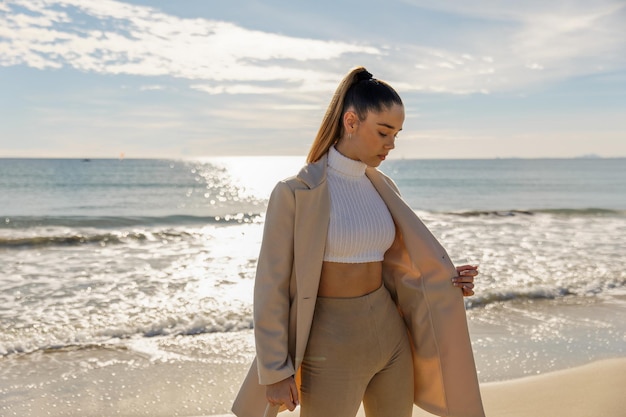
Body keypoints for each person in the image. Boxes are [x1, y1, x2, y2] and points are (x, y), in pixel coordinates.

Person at [232, 67, 485, 417]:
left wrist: (445, 279)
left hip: (391, 339)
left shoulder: (383, 188)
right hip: (329, 345)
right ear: (351, 121)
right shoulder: (295, 193)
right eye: (383, 132)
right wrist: (275, 371)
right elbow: (270, 286)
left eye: (396, 134)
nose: (391, 144)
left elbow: (396, 268)